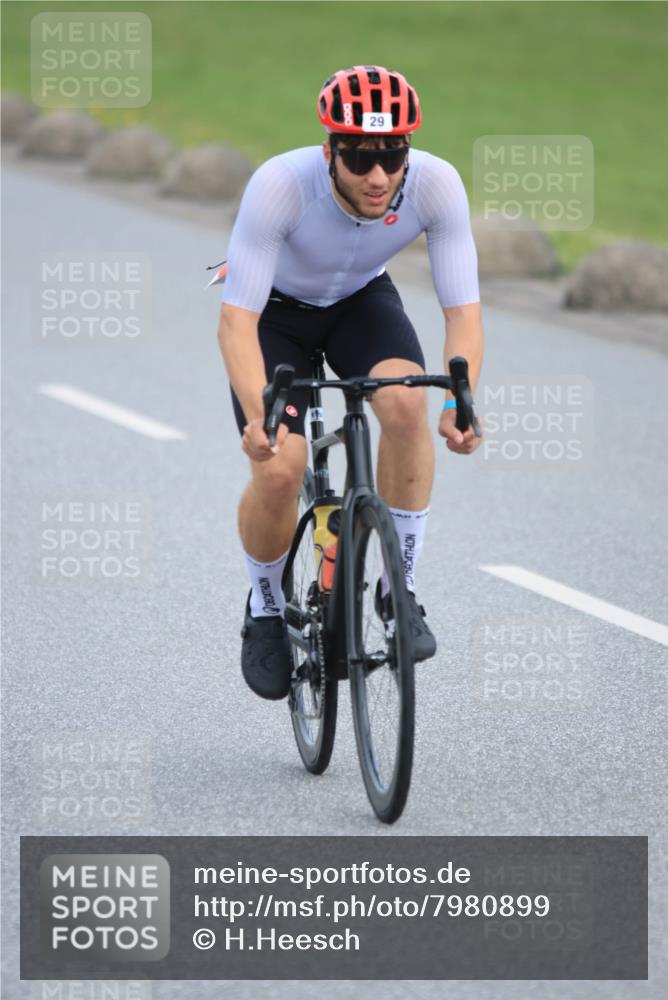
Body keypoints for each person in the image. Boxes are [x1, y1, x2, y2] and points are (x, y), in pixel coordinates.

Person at [217, 65, 483, 701]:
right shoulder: (281, 185)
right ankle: (264, 607)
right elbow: (236, 321)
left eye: (392, 156)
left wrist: (460, 400)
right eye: (361, 158)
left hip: (360, 303)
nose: (379, 177)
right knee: (280, 468)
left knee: (401, 404)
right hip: (273, 315)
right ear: (331, 149)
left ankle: (399, 589)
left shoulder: (437, 185)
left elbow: (463, 313)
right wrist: (260, 416)